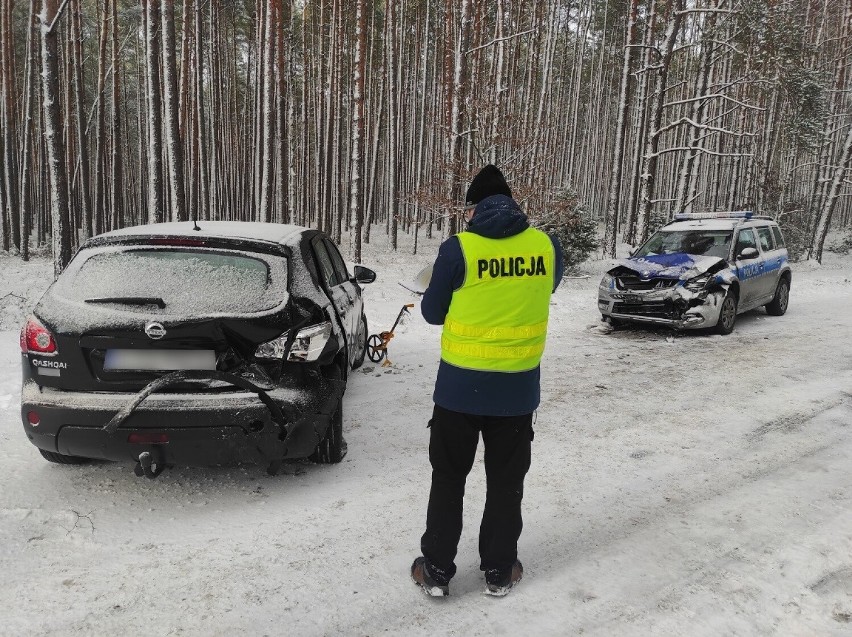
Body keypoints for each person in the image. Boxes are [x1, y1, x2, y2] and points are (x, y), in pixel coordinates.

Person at [411, 165, 564, 597]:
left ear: (474, 208)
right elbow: (547, 286)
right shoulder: (546, 246)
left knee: (448, 479)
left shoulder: (459, 249)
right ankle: (499, 570)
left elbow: (432, 312)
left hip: (459, 392)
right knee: (506, 483)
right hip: (516, 394)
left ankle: (437, 570)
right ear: (514, 204)